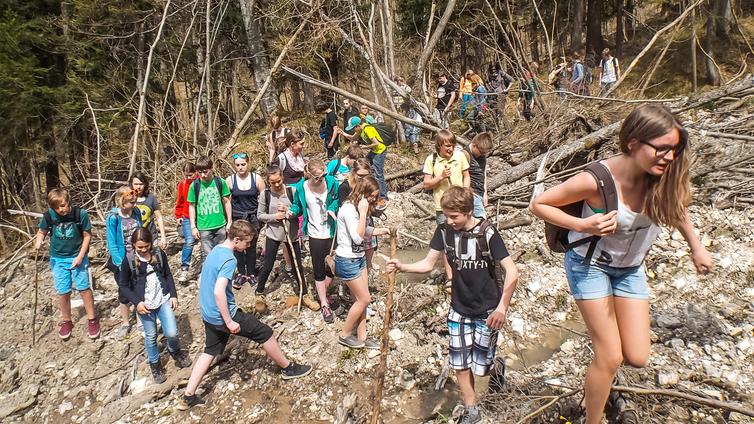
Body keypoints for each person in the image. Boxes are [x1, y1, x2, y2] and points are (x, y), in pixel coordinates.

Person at [530, 104, 714, 424]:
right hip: (590, 266)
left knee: (637, 356)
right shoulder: (597, 181)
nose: (669, 157)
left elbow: (678, 208)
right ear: (633, 144)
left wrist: (696, 247)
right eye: (661, 149)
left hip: (630, 269)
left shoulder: (664, 177)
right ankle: (593, 418)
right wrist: (585, 226)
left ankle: (600, 379)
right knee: (610, 355)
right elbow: (539, 204)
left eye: (674, 150)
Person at [385, 187, 519, 424]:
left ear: (468, 212)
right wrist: (402, 267)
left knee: (482, 367)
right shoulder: (445, 231)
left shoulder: (487, 233)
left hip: (488, 310)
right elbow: (428, 264)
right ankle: (471, 409)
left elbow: (512, 271)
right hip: (458, 308)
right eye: (446, 215)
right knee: (460, 362)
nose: (449, 220)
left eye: (454, 216)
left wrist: (502, 308)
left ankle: (496, 366)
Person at [176, 220, 312, 410]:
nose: (248, 247)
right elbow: (218, 291)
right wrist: (229, 321)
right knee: (265, 332)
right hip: (223, 315)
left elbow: (204, 281)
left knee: (210, 350)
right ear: (237, 239)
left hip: (208, 313)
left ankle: (188, 396)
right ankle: (288, 368)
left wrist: (225, 297)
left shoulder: (215, 251)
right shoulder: (230, 259)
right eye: (247, 243)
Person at [117, 228, 192, 383]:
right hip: (145, 305)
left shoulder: (158, 254)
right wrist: (137, 303)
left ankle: (175, 351)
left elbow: (167, 275)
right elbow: (123, 285)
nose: (144, 250)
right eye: (140, 248)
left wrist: (173, 295)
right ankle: (155, 364)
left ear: (151, 243)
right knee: (151, 336)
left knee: (171, 332)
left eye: (146, 246)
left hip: (163, 299)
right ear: (133, 245)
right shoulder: (129, 261)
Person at [34, 188, 99, 340]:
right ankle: (66, 321)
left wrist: (80, 257)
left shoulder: (80, 214)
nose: (61, 210)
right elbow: (42, 231)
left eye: (63, 205)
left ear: (68, 202)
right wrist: (39, 242)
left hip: (78, 256)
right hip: (58, 258)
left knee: (83, 287)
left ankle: (92, 319)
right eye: (57, 207)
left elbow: (87, 236)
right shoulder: (49, 216)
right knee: (63, 291)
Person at [335, 176, 390, 349]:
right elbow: (358, 238)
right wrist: (364, 211)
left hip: (359, 259)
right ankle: (344, 334)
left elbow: (364, 230)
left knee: (360, 299)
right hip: (347, 260)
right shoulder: (349, 209)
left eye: (375, 196)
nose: (373, 200)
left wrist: (385, 230)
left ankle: (362, 337)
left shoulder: (358, 209)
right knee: (365, 299)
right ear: (363, 193)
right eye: (371, 196)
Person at [255, 165, 318, 313]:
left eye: (279, 180)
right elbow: (260, 215)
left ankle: (304, 293)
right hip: (273, 234)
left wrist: (288, 210)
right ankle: (259, 292)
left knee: (297, 265)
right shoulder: (266, 194)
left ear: (282, 177)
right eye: (273, 182)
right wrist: (274, 217)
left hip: (292, 234)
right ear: (268, 181)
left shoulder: (292, 191)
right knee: (268, 265)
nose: (277, 184)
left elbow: (300, 210)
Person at [289, 160, 340, 323]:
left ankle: (322, 293)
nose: (322, 178)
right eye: (318, 177)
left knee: (333, 266)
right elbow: (297, 206)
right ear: (309, 175)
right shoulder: (301, 187)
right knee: (318, 268)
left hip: (331, 230)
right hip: (315, 233)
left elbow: (338, 199)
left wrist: (332, 209)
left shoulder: (332, 182)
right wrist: (291, 212)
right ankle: (324, 303)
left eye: (324, 175)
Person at [423, 130, 470, 291]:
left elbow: (466, 175)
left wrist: (466, 192)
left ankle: (465, 272)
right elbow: (426, 184)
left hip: (461, 205)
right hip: (442, 208)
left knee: (465, 239)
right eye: (447, 146)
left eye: (453, 146)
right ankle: (450, 278)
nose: (450, 149)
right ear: (439, 145)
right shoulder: (432, 160)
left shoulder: (460, 156)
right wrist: (441, 177)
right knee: (447, 243)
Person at [106, 186, 143, 340]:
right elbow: (112, 242)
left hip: (137, 257)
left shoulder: (135, 213)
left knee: (140, 287)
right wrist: (120, 263)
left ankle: (141, 319)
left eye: (134, 202)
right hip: (122, 260)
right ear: (122, 202)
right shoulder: (114, 218)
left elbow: (141, 231)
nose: (134, 205)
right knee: (124, 291)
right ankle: (126, 322)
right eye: (130, 203)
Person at [226, 152, 265, 289]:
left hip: (253, 217)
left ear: (248, 163)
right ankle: (241, 273)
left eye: (243, 164)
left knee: (251, 246)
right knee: (237, 247)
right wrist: (229, 221)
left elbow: (264, 197)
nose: (241, 167)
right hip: (237, 218)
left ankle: (251, 273)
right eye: (238, 165)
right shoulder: (230, 180)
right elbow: (226, 201)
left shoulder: (257, 179)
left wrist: (263, 216)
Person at [188, 156, 232, 260]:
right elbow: (192, 206)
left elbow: (227, 202)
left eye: (205, 171)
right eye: (200, 172)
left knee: (222, 254)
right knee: (208, 257)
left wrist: (229, 222)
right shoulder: (195, 185)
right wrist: (193, 227)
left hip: (220, 225)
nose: (203, 175)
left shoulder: (220, 182)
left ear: (211, 168)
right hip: (203, 227)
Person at [340, 117, 389, 208]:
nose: (353, 130)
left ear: (358, 126)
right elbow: (352, 138)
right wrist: (343, 133)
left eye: (353, 128)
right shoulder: (360, 130)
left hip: (380, 151)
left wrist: (364, 147)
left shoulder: (368, 129)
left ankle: (383, 197)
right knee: (364, 164)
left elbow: (376, 143)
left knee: (379, 174)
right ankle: (368, 185)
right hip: (374, 151)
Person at [130, 172, 167, 250]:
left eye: (141, 184)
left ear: (145, 184)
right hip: (134, 238)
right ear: (131, 184)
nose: (138, 187)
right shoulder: (128, 197)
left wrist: (163, 237)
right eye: (136, 184)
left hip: (151, 236)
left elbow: (159, 217)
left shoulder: (151, 198)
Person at [174, 162, 198, 282]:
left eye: (191, 175)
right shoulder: (182, 185)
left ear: (196, 172)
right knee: (189, 241)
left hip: (202, 217)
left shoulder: (201, 182)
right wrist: (178, 215)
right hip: (187, 216)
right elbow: (180, 201)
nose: (189, 177)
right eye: (187, 175)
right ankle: (184, 268)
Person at [462, 132, 493, 219]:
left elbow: (483, 173)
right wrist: (468, 190)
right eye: (481, 152)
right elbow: (461, 175)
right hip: (471, 193)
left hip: (480, 193)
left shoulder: (482, 155)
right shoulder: (465, 154)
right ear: (474, 145)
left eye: (484, 153)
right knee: (481, 220)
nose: (482, 154)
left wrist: (485, 193)